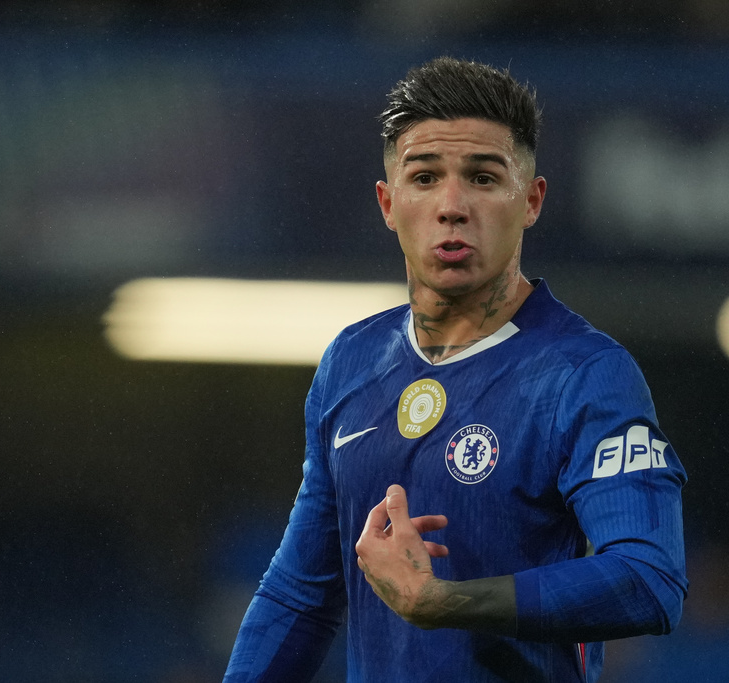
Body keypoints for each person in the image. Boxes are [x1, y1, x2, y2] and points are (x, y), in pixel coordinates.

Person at [223, 56, 688, 683]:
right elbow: (299, 597)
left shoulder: (585, 375)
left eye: (482, 177)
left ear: (531, 200)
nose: (451, 205)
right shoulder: (350, 362)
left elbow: (650, 579)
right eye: (424, 177)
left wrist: (446, 604)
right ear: (389, 203)